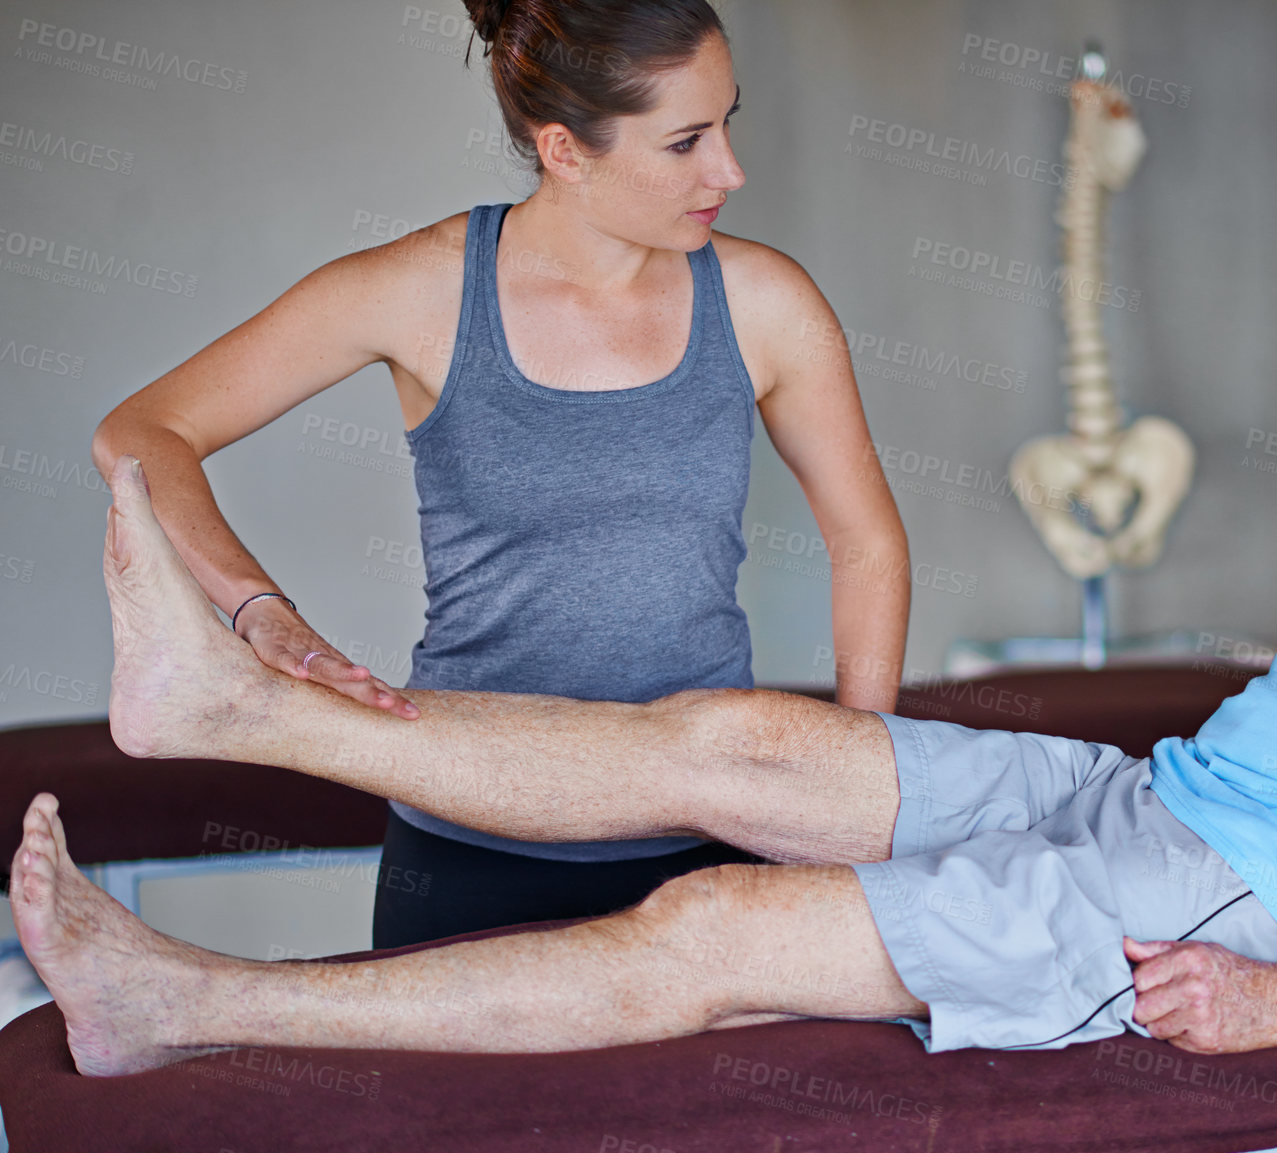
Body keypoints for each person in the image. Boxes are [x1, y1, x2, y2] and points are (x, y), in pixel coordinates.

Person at [15, 145, 1277, 1075]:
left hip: (1221, 893)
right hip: (1171, 797)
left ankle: (178, 1000)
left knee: (709, 931)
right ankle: (249, 710)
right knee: (740, 740)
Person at [88, 0, 909, 948]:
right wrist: (256, 610)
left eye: (728, 122)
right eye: (685, 141)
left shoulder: (768, 301)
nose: (729, 169)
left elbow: (866, 541)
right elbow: (142, 431)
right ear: (564, 150)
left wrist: (857, 781)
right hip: (467, 843)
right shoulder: (421, 289)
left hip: (715, 833)